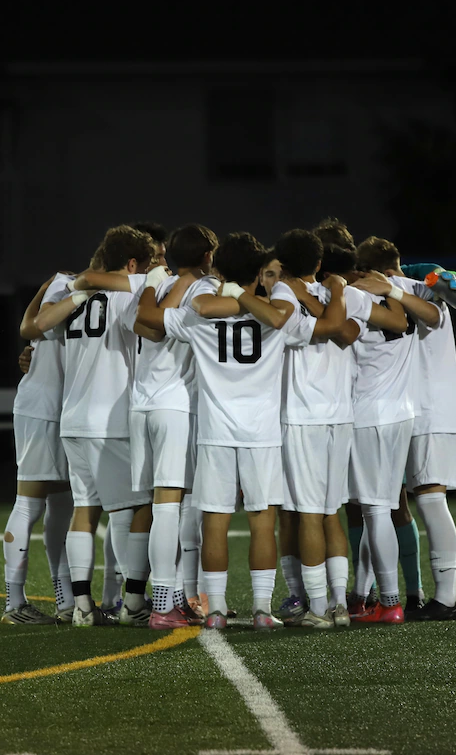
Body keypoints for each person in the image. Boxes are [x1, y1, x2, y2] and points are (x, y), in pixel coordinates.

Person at [141, 232, 301, 631]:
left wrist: (153, 287)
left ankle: (215, 610)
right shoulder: (277, 310)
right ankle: (263, 610)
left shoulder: (201, 313)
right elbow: (313, 327)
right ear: (258, 273)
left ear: (219, 269)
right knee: (264, 520)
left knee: (215, 520)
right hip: (262, 432)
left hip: (214, 430)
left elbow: (151, 320)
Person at [85, 224, 218, 629]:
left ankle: (145, 598)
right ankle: (164, 603)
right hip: (174, 405)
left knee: (150, 507)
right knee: (169, 508)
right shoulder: (202, 288)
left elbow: (141, 323)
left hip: (139, 407)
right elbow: (157, 326)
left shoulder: (148, 286)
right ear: (208, 256)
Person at [274, 231, 392, 627]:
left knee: (308, 513)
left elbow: (333, 330)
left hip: (303, 415)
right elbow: (345, 330)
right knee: (329, 513)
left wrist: (317, 296)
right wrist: (335, 292)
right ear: (320, 264)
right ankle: (340, 604)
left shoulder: (285, 295)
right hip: (340, 415)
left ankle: (320, 607)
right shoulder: (336, 293)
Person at [353, 238, 456, 621]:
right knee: (393, 503)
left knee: (421, 498)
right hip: (412, 407)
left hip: (419, 407)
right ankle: (414, 595)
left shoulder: (416, 289)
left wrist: (396, 285)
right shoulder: (419, 287)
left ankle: (443, 597)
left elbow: (449, 308)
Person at [39, 225, 155, 626]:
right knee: (134, 509)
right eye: (151, 260)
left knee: (85, 511)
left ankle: (83, 606)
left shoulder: (74, 299)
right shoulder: (127, 293)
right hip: (108, 419)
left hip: (72, 419)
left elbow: (35, 329)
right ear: (132, 263)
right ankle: (135, 603)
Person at [0, 272, 75, 625]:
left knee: (63, 502)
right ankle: (14, 603)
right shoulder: (68, 284)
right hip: (42, 408)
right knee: (29, 501)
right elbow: (30, 328)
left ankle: (65, 598)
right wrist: (45, 289)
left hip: (67, 408)